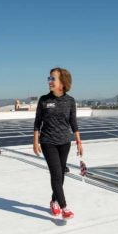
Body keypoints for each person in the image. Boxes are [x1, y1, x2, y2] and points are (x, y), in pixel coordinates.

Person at [33, 67, 83, 220]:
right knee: (56, 174)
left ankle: (53, 201)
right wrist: (35, 141)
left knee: (61, 175)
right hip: (48, 141)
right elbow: (37, 123)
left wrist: (79, 142)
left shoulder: (70, 101)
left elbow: (73, 123)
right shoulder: (44, 100)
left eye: (53, 79)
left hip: (64, 142)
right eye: (49, 78)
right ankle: (64, 207)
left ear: (63, 82)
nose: (49, 81)